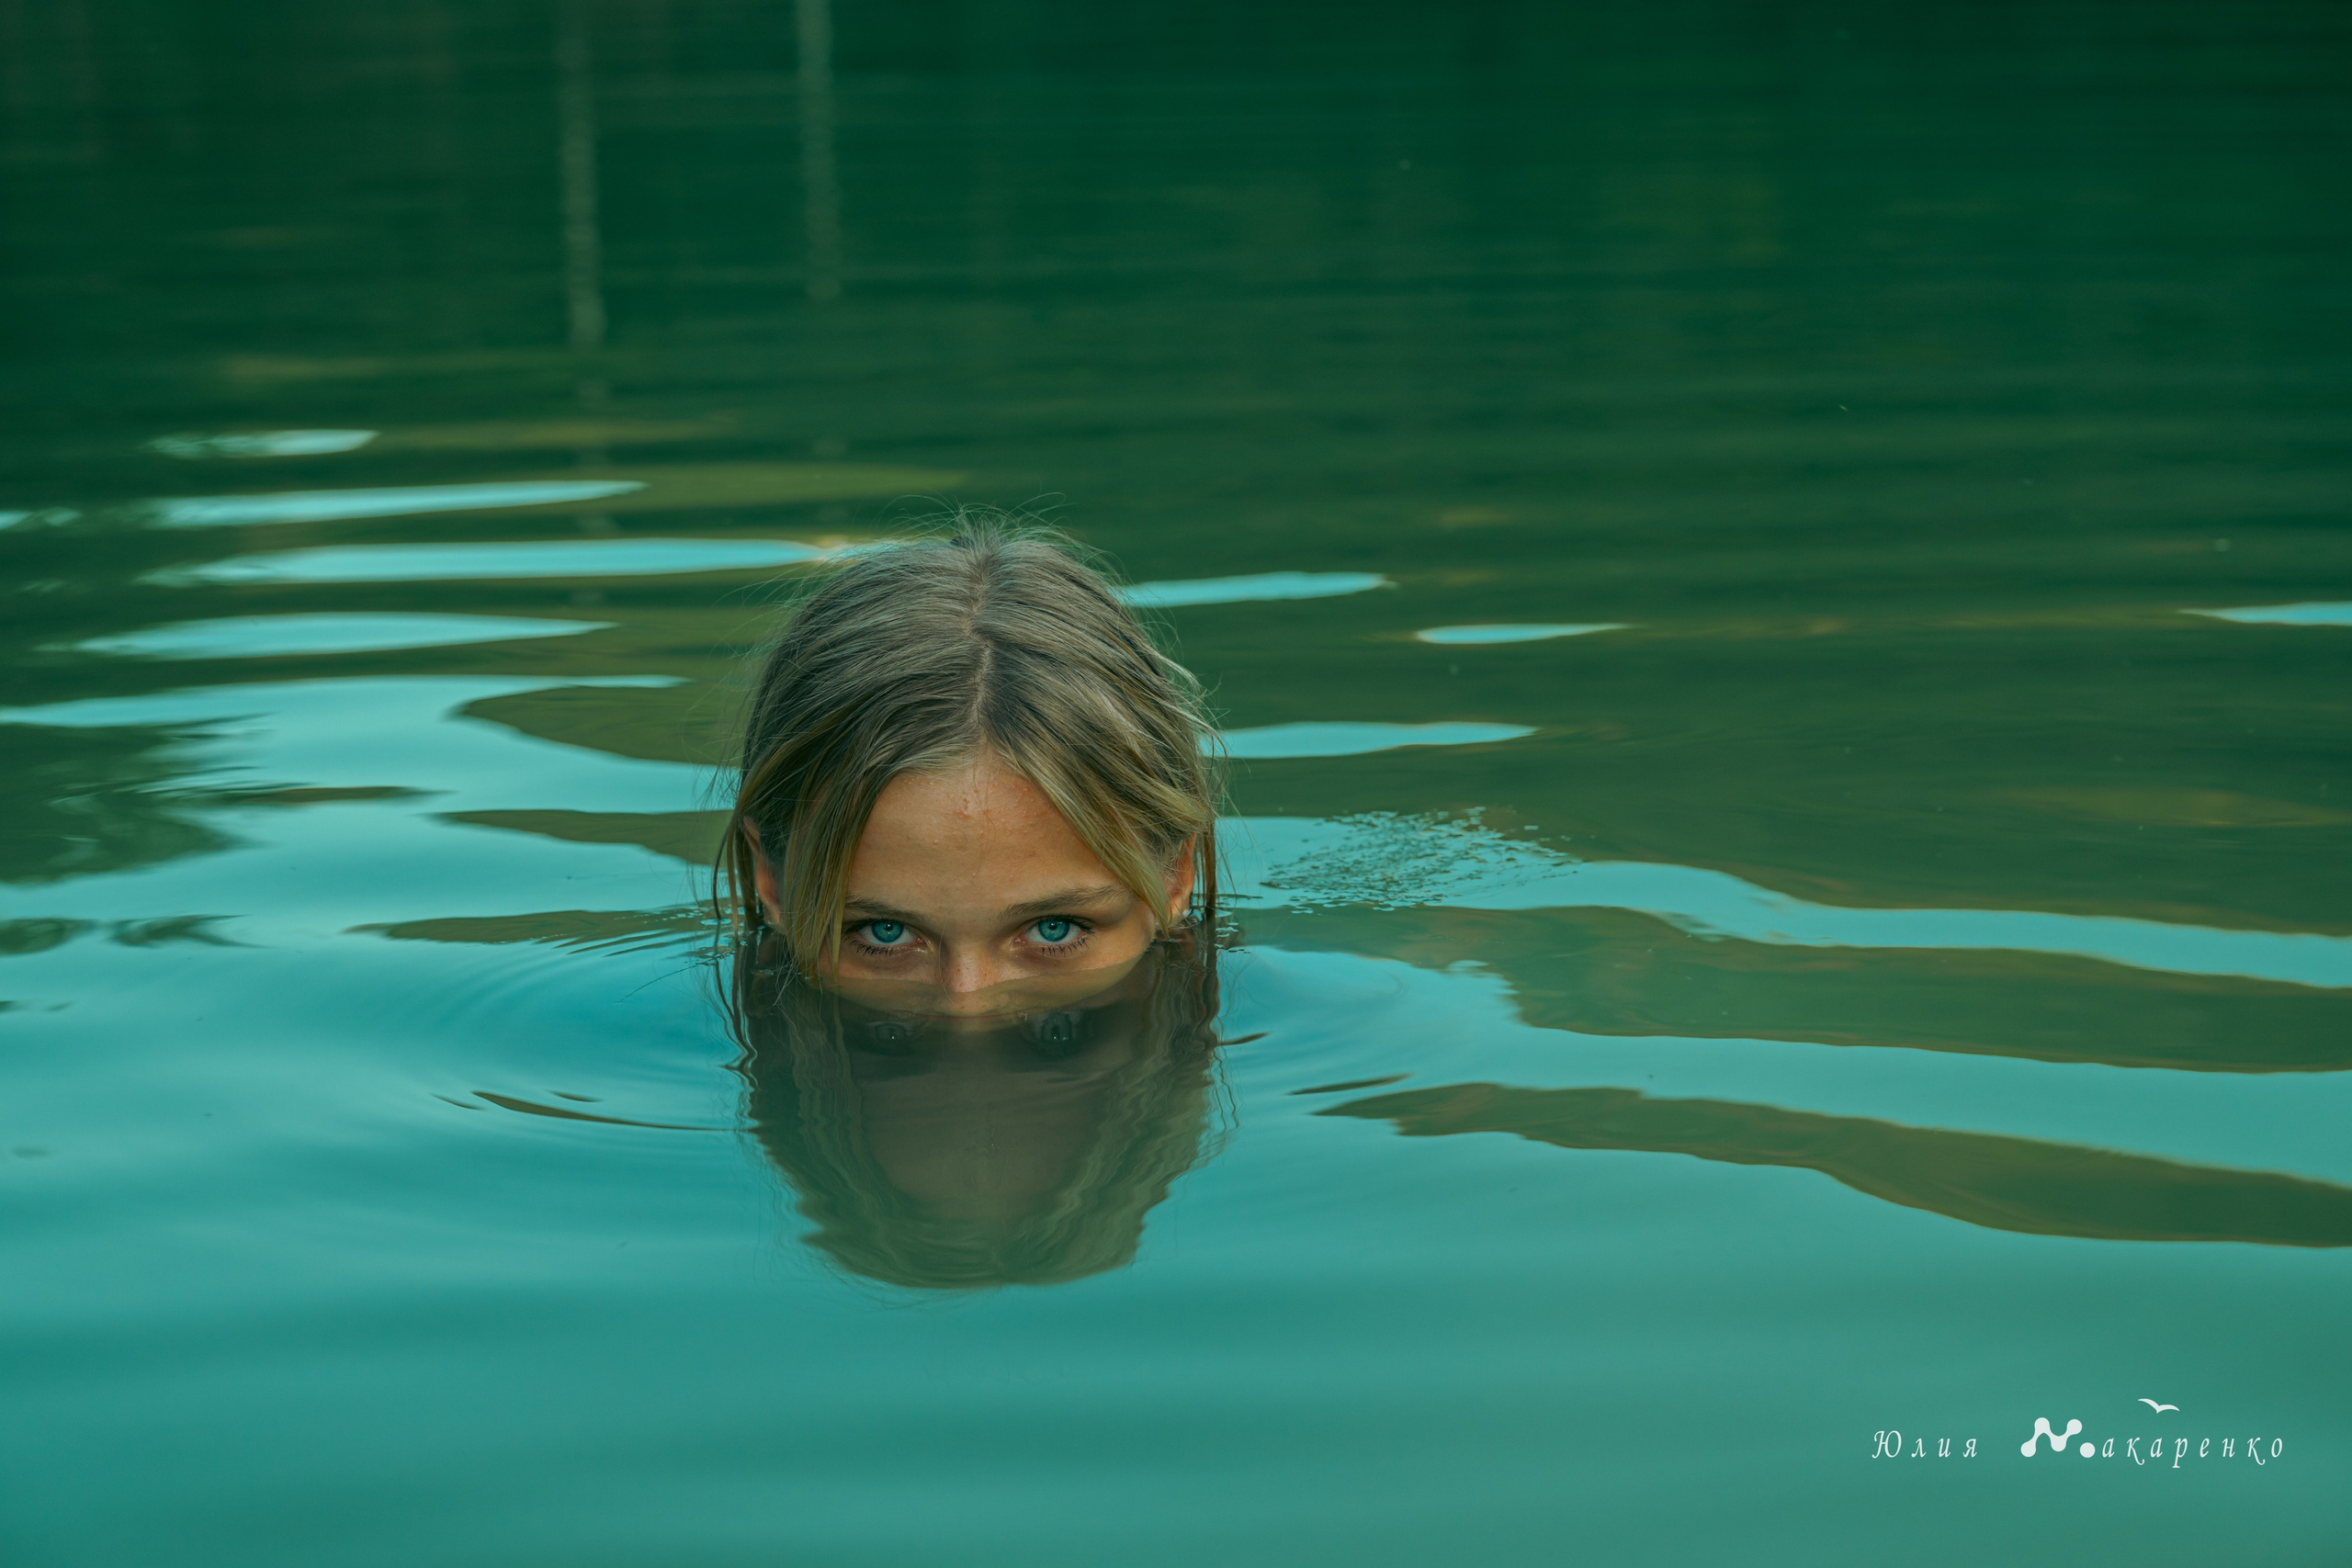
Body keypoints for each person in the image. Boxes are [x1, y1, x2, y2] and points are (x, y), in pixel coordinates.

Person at [718, 510, 1227, 1288]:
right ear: (772, 882)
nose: (967, 1008)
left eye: (1053, 928)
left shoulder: (1358, 1058)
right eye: (885, 933)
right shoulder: (605, 1067)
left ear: (1174, 877)